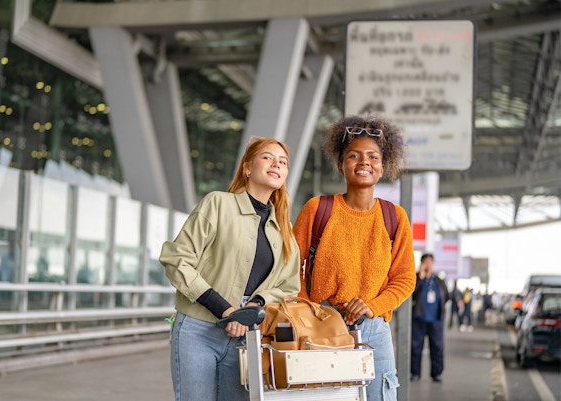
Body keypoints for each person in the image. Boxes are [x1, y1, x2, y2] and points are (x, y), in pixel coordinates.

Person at [160, 136, 301, 401]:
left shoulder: (284, 230)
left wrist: (251, 309)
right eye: (268, 157)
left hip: (248, 336)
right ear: (248, 168)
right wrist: (226, 310)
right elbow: (177, 259)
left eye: (282, 162)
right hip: (198, 329)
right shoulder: (217, 204)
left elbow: (289, 286)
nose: (276, 164)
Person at [293, 115, 416, 401]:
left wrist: (373, 306)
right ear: (341, 165)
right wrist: (309, 312)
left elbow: (405, 278)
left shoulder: (394, 217)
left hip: (374, 331)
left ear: (382, 167)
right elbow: (289, 266)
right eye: (354, 156)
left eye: (373, 156)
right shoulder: (317, 209)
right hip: (322, 326)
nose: (364, 162)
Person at [410, 253, 450, 382]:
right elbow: (412, 295)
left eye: (430, 262)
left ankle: (437, 373)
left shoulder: (438, 280)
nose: (428, 264)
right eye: (425, 262)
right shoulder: (416, 279)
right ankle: (415, 373)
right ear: (421, 264)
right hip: (419, 319)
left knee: (437, 347)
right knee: (416, 347)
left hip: (436, 320)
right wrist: (420, 278)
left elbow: (447, 296)